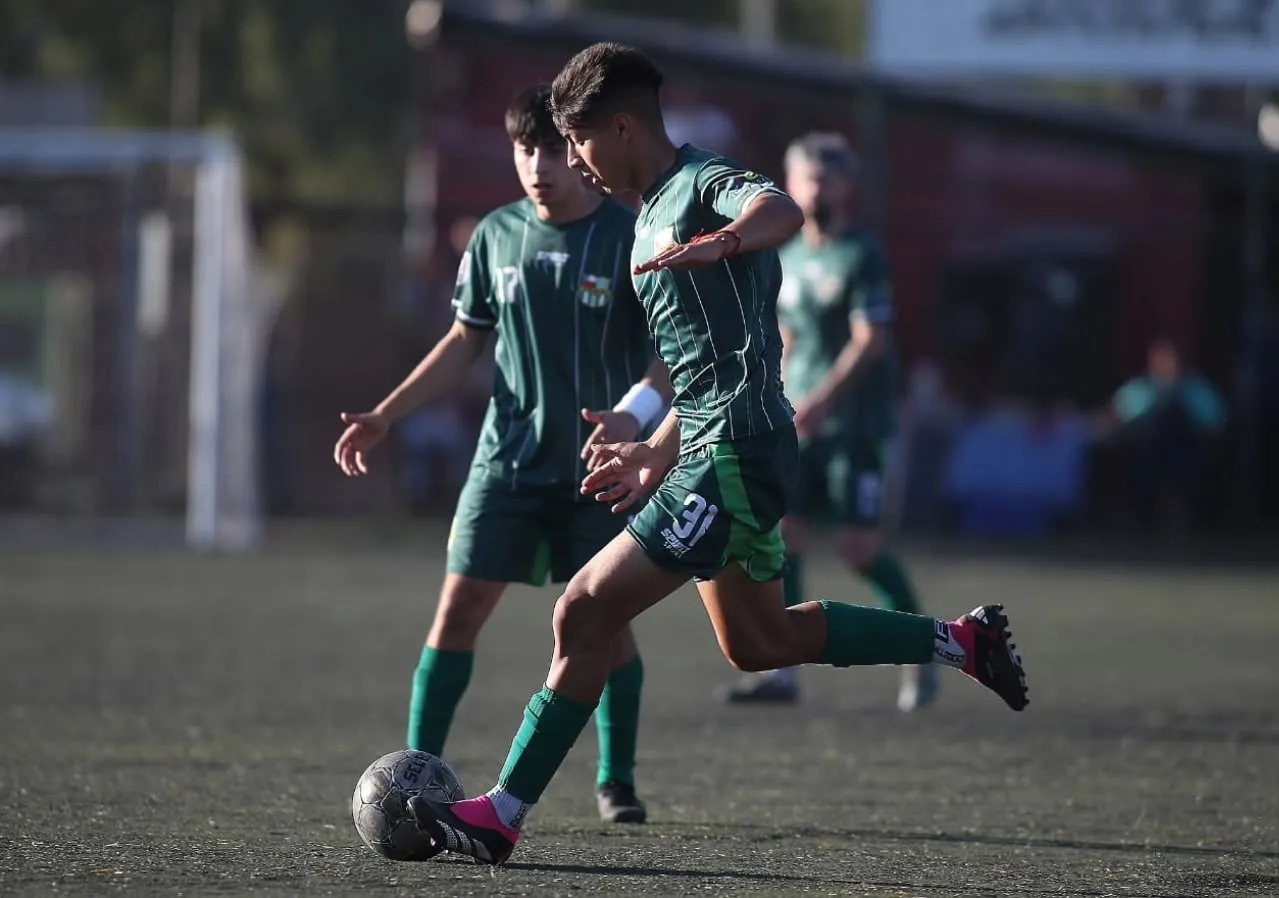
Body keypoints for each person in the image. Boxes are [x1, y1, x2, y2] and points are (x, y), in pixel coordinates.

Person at [407, 43, 1029, 866]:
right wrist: (652, 453)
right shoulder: (643, 217)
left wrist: (725, 242)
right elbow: (703, 370)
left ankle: (502, 815)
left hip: (736, 452)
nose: (576, 161)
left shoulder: (700, 184)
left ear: (623, 126)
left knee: (584, 608)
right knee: (759, 643)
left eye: (582, 140)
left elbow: (782, 212)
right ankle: (962, 642)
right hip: (719, 445)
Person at [333, 84, 673, 825]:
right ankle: (414, 774)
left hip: (600, 472)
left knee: (605, 626)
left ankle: (617, 780)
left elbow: (672, 356)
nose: (538, 164)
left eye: (552, 148)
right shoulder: (494, 236)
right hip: (506, 465)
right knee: (457, 609)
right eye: (525, 149)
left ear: (581, 152)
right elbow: (464, 342)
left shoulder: (630, 237)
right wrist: (387, 415)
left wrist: (632, 415)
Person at [720, 133, 938, 711]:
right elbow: (786, 336)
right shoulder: (786, 256)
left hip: (855, 427)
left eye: (827, 178)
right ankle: (782, 672)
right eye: (806, 177)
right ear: (789, 185)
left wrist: (820, 399)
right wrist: (778, 395)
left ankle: (927, 655)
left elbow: (870, 343)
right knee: (783, 539)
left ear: (847, 186)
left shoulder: (861, 254)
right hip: (797, 424)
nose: (816, 188)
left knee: (859, 549)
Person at [1110, 337, 1224, 542]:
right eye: (1158, 360)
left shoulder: (1197, 390)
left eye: (1169, 360)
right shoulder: (1140, 389)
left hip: (1186, 457)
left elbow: (1215, 425)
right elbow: (1115, 418)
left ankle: (1178, 525)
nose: (1164, 366)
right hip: (1145, 457)